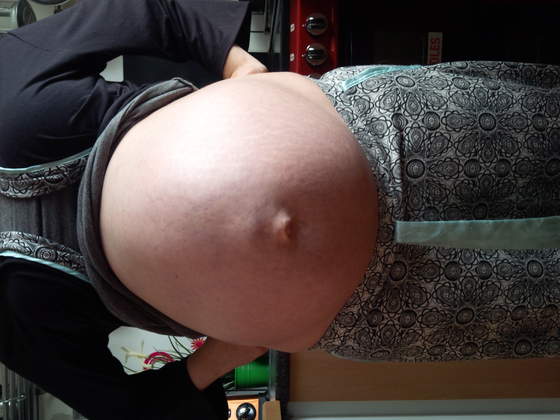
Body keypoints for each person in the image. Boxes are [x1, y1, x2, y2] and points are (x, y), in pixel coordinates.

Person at [0, 1, 267, 419]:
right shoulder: (8, 324)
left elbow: (153, 11)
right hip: (315, 296)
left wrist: (242, 69)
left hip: (331, 123)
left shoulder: (5, 75)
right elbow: (129, 411)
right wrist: (228, 353)